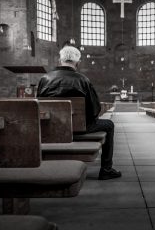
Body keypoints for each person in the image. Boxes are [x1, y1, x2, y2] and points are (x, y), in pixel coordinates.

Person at [37, 45, 121, 180]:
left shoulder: (45, 79)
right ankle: (106, 169)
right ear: (78, 62)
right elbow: (95, 110)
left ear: (60, 60)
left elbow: (40, 106)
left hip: (52, 129)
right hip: (81, 128)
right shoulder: (83, 80)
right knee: (109, 124)